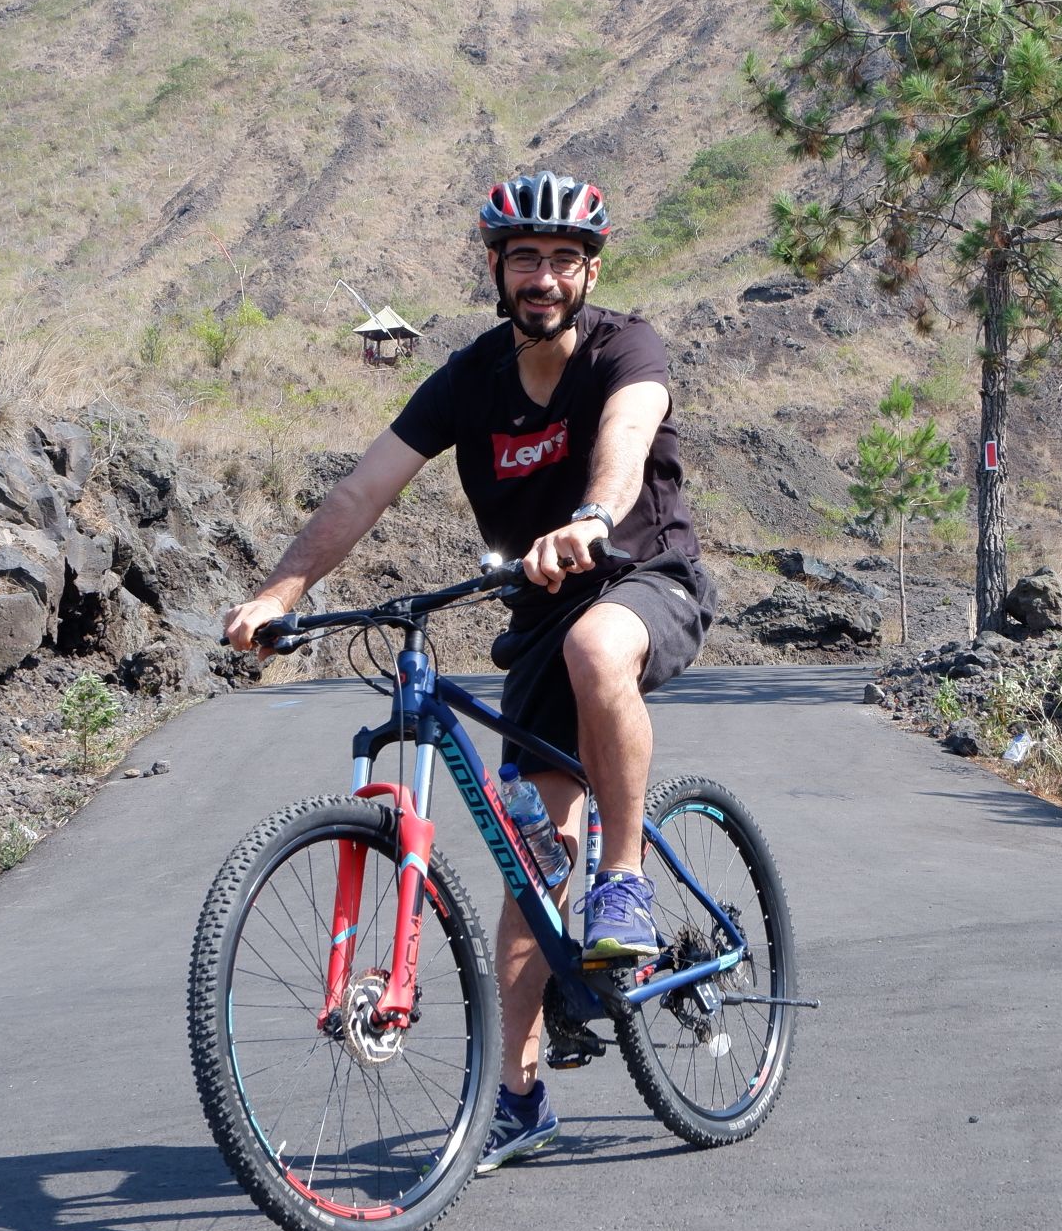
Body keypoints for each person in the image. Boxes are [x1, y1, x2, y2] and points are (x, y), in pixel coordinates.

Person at [220, 169, 713, 1173]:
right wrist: (282, 590)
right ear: (497, 267)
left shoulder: (630, 347)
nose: (543, 275)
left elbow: (623, 446)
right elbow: (364, 487)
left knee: (594, 646)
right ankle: (520, 1095)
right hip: (537, 612)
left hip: (643, 576)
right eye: (523, 257)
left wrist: (587, 518)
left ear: (589, 270)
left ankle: (624, 881)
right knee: (533, 860)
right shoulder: (469, 377)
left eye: (562, 258)